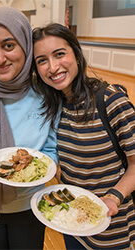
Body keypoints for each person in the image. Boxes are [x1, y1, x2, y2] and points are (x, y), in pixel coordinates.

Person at [31, 22, 135, 249]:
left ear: (76, 55)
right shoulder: (55, 106)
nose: (53, 67)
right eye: (42, 61)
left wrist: (113, 197)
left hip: (111, 226)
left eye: (59, 54)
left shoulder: (110, 100)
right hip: (72, 223)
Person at [0, 6, 59, 250]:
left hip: (29, 205)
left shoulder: (45, 92)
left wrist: (39, 169)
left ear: (26, 45)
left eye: (8, 45)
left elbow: (51, 148)